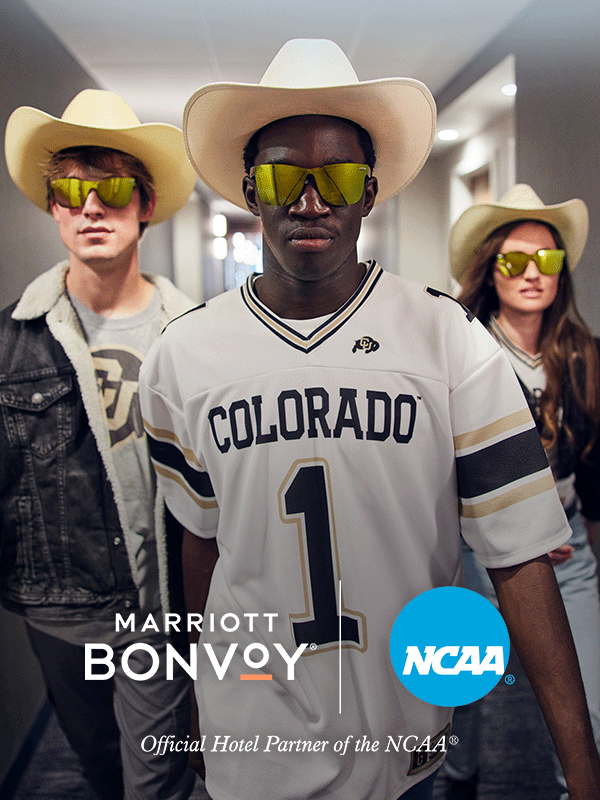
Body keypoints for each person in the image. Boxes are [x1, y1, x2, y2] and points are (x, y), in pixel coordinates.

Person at [139, 40, 600, 800]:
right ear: (251, 191)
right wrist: (193, 691)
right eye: (287, 176)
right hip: (252, 727)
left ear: (370, 192)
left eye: (340, 177)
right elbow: (200, 543)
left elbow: (519, 559)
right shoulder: (183, 355)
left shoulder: (449, 339)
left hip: (401, 730)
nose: (311, 200)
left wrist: (581, 767)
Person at [0, 90, 198, 800]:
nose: (90, 207)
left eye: (110, 188)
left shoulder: (195, 332)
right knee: (99, 770)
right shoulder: (11, 341)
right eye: (71, 191)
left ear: (143, 204)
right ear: (53, 209)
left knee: (160, 780)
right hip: (61, 609)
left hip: (164, 603)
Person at [443, 183, 600, 799]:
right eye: (514, 260)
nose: (533, 273)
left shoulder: (581, 357)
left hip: (570, 559)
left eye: (549, 260)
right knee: (463, 707)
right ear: (491, 270)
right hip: (475, 558)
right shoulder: (464, 351)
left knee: (585, 709)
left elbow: (592, 474)